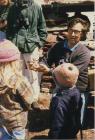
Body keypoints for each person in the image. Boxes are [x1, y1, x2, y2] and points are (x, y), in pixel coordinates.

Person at [47, 18, 91, 125]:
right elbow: (46, 59)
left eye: (77, 32)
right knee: (56, 121)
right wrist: (39, 65)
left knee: (75, 123)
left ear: (82, 34)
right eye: (71, 30)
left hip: (78, 89)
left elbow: (70, 74)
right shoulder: (58, 46)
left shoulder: (84, 52)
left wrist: (49, 70)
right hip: (60, 87)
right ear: (67, 30)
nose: (73, 34)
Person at [6, 0, 47, 108]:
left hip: (31, 46)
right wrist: (11, 42)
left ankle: (34, 100)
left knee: (32, 74)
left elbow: (42, 28)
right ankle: (21, 99)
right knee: (17, 73)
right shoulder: (12, 8)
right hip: (16, 47)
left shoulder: (36, 7)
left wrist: (39, 44)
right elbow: (9, 28)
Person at [0, 39, 35, 139]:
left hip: (2, 122)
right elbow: (30, 99)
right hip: (17, 123)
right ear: (14, 61)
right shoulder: (19, 81)